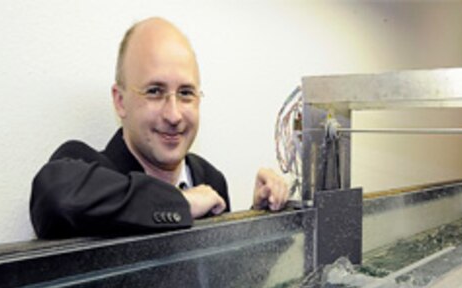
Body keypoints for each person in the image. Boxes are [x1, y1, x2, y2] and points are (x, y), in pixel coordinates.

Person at [30, 17, 289, 238]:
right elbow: (54, 197)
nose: (174, 115)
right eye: (154, 91)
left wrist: (261, 219)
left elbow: (224, 284)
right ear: (120, 101)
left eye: (186, 93)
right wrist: (181, 203)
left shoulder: (210, 180)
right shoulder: (83, 168)